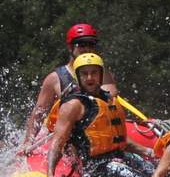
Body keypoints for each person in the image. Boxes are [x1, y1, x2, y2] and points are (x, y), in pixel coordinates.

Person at [46, 53, 155, 177]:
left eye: (94, 72)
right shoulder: (73, 105)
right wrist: (50, 175)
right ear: (78, 77)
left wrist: (149, 152)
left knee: (158, 176)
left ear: (101, 75)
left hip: (119, 157)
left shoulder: (109, 100)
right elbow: (57, 142)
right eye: (84, 73)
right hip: (95, 167)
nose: (89, 77)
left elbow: (118, 140)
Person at [20, 23, 118, 151]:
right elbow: (39, 113)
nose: (87, 48)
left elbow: (111, 96)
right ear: (70, 47)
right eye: (81, 44)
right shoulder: (54, 79)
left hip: (96, 132)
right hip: (66, 133)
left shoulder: (102, 73)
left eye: (91, 44)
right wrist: (28, 142)